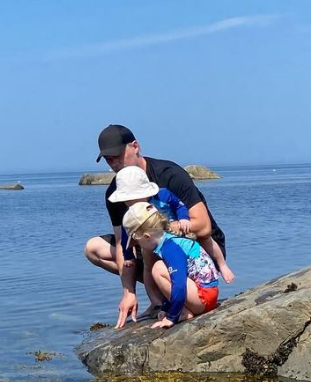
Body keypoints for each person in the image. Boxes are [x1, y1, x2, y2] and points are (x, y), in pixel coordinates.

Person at [83, 124, 228, 328]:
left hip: (197, 249)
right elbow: (120, 241)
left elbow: (203, 227)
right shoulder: (115, 193)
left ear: (135, 146)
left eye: (117, 155)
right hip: (153, 245)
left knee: (148, 242)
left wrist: (156, 228)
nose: (114, 163)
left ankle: (177, 297)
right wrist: (128, 292)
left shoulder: (169, 175)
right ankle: (159, 301)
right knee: (93, 248)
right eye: (108, 159)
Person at [108, 164, 235, 284]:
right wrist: (128, 256)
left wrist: (183, 219)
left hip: (176, 229)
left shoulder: (162, 195)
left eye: (132, 200)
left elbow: (179, 205)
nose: (130, 204)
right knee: (148, 263)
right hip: (156, 238)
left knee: (205, 238)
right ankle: (156, 301)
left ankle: (222, 265)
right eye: (125, 201)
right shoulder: (133, 212)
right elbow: (127, 234)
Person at [122, 202, 221, 329]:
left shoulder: (170, 248)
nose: (138, 246)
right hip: (206, 295)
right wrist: (166, 307)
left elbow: (179, 284)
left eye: (137, 242)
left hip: (204, 297)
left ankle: (184, 312)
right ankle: (182, 309)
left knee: (158, 268)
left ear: (147, 236)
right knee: (160, 267)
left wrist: (171, 317)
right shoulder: (170, 240)